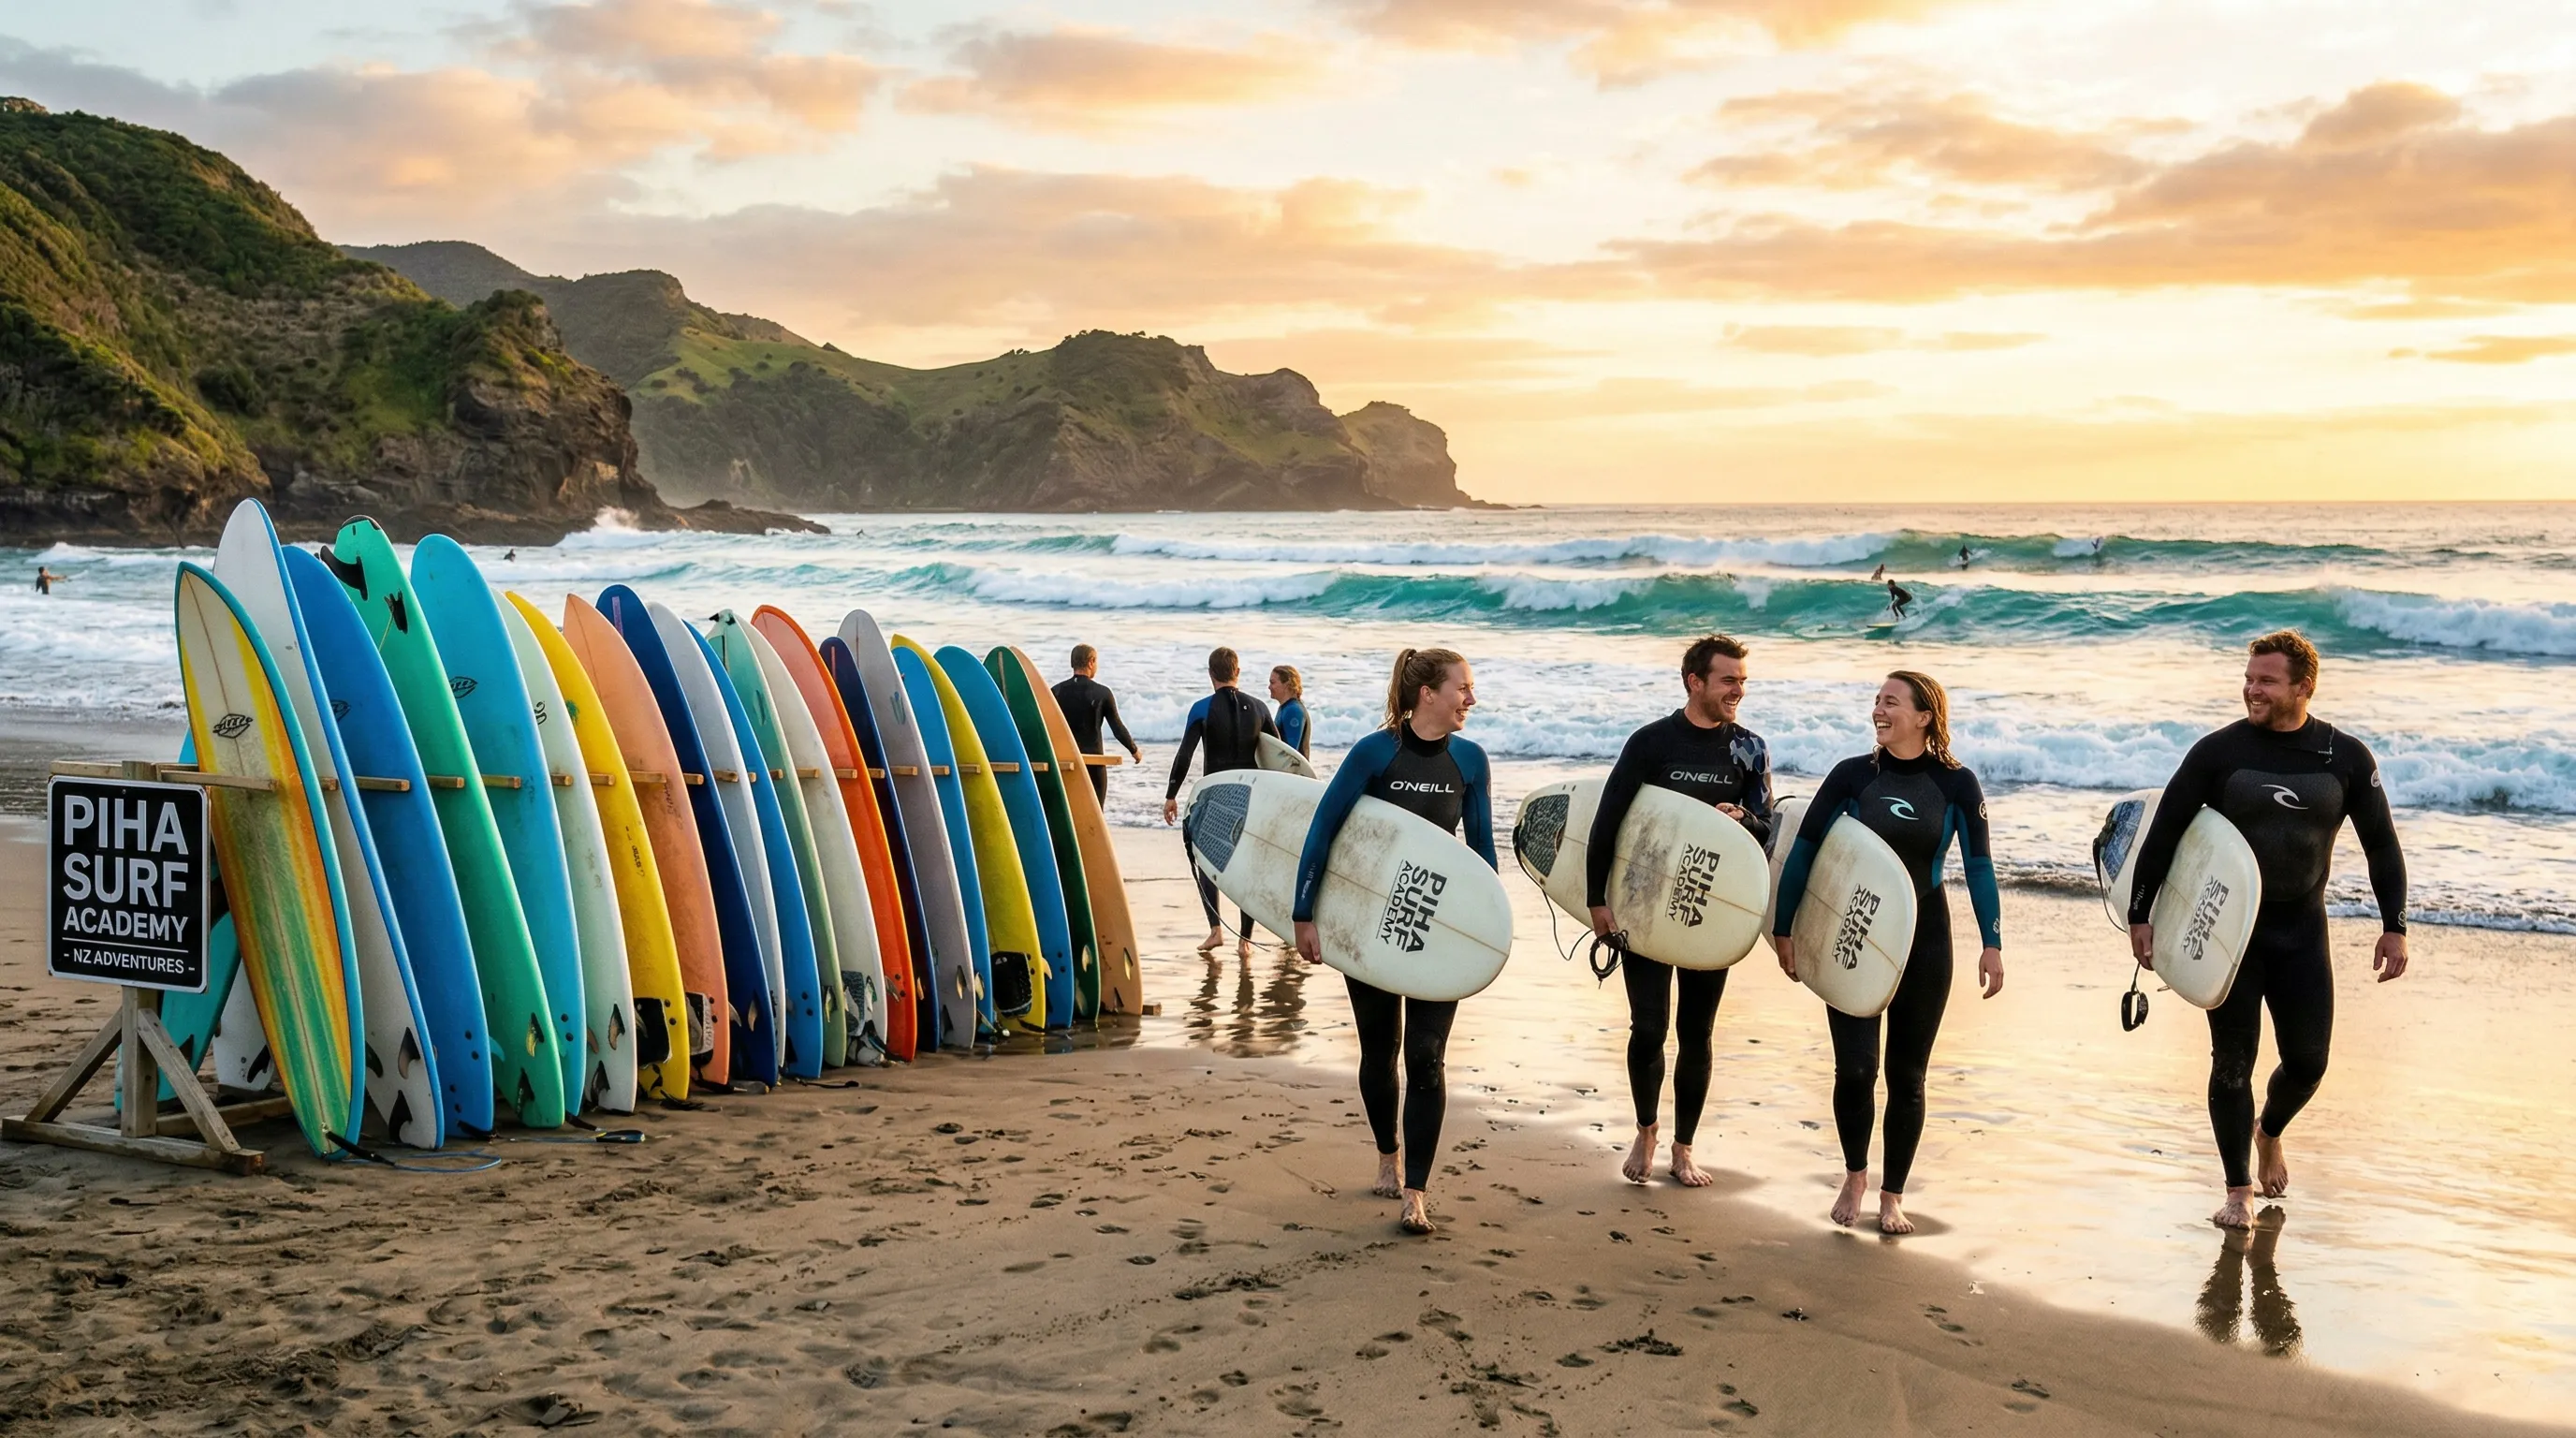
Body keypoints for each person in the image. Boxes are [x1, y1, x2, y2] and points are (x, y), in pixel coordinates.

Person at [2123, 630, 2408, 1231]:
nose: (2252, 689)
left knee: (2308, 1063)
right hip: (2229, 934)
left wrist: (2394, 924)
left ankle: (2269, 1130)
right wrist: (2141, 915)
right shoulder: (2217, 753)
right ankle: (2237, 1189)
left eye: (2266, 680)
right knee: (2232, 1063)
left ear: (2303, 687)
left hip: (2301, 930)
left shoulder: (2345, 757)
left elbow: (2380, 843)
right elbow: (2165, 831)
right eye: (2249, 678)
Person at [1771, 670, 2003, 1235]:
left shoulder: (1956, 785)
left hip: (1925, 939)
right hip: (1855, 929)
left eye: (1891, 702)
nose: (1878, 710)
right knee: (1854, 1069)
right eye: (1876, 700)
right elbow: (1804, 848)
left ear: (1924, 717)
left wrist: (1992, 943)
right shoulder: (1853, 776)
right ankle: (1855, 1174)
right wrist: (1784, 926)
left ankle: (1892, 1194)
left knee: (1908, 1076)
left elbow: (1978, 867)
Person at [1292, 647, 1495, 1236]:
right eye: (1463, 687)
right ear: (1427, 693)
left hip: (1436, 925)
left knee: (1426, 1057)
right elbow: (1324, 829)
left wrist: (1484, 931)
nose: (1471, 699)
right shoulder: (1374, 753)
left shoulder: (1472, 761)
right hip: (1373, 928)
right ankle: (1387, 1153)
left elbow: (1481, 857)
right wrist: (1305, 914)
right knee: (1380, 1050)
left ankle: (1416, 1193)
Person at [1588, 634, 1773, 1188]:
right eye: (1728, 680)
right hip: (1644, 907)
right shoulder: (1651, 743)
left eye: (1743, 680)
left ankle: (1684, 1146)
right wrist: (1598, 902)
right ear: (1695, 682)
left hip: (1709, 909)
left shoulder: (1749, 749)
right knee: (1648, 1027)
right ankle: (1646, 1129)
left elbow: (1766, 830)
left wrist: (1742, 820)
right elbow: (1608, 822)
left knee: (1698, 1031)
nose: (1738, 690)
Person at [1165, 647, 1276, 956]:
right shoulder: (1259, 708)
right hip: (1250, 797)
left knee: (1206, 860)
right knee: (1247, 868)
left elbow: (1184, 754)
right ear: (1237, 672)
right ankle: (1244, 941)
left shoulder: (1202, 708)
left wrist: (1171, 795)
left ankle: (1215, 930)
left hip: (1215, 795)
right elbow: (1280, 758)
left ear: (1210, 674)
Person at [1053, 644, 1140, 802]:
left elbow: (1046, 727)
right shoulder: (1103, 693)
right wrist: (1134, 750)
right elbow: (1117, 726)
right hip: (1094, 765)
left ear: (1072, 663)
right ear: (1091, 662)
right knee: (1095, 815)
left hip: (1064, 763)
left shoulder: (1056, 691)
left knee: (1068, 812)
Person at [1269, 665, 1310, 758]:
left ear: (1287, 685)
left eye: (1272, 683)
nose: (1269, 687)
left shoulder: (1293, 710)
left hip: (1295, 772)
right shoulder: (1285, 708)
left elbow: (1291, 753)